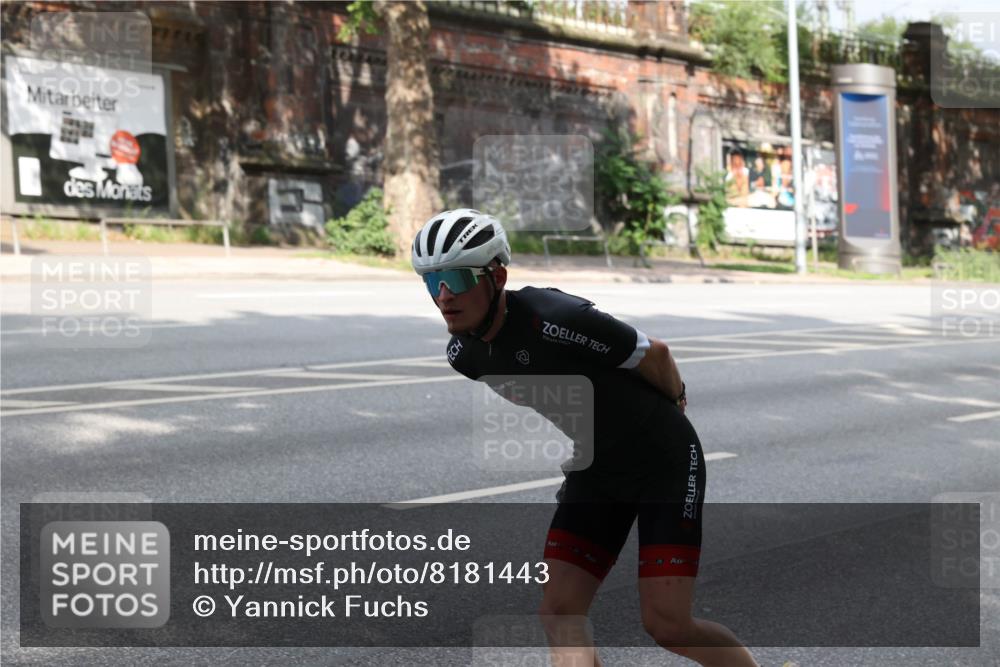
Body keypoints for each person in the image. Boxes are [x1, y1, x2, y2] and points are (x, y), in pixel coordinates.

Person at [412, 209, 759, 666]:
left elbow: (655, 354)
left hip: (664, 461)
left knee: (668, 625)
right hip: (598, 467)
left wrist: (675, 403)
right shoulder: (466, 354)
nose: (442, 296)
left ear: (496, 275)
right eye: (430, 280)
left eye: (455, 278)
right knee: (560, 613)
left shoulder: (553, 317)